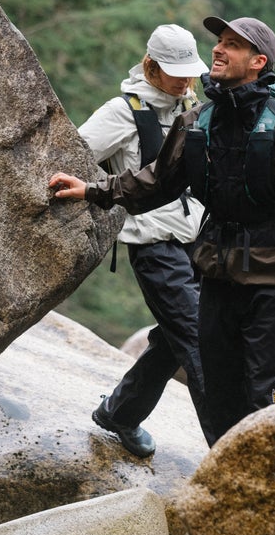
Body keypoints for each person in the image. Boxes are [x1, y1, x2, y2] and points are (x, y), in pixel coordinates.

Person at [50, 16, 275, 444]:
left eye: (232, 44)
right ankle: (222, 469)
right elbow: (156, 182)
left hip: (264, 272)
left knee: (258, 388)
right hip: (207, 268)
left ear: (258, 62)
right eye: (219, 41)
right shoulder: (194, 120)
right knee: (213, 375)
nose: (217, 50)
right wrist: (92, 190)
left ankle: (129, 418)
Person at [77, 24, 214, 457]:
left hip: (197, 242)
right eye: (175, 71)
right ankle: (231, 449)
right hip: (154, 246)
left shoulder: (191, 106)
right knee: (200, 341)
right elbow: (74, 154)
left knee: (176, 339)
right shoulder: (122, 112)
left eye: (189, 71)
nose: (185, 80)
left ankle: (119, 413)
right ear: (151, 66)